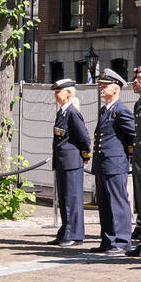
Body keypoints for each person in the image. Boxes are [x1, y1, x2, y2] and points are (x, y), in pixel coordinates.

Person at [92, 69, 136, 255]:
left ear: (116, 88)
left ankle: (122, 241)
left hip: (115, 162)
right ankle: (108, 240)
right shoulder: (105, 110)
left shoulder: (121, 111)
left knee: (118, 203)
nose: (101, 88)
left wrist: (126, 154)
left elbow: (133, 135)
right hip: (103, 162)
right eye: (101, 85)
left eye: (105, 85)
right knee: (105, 203)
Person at [50, 79, 91, 248]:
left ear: (68, 93)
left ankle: (75, 234)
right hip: (62, 161)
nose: (56, 94)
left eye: (59, 91)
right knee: (64, 198)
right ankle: (65, 231)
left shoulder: (73, 113)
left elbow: (84, 137)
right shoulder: (62, 113)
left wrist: (85, 155)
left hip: (72, 162)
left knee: (72, 199)